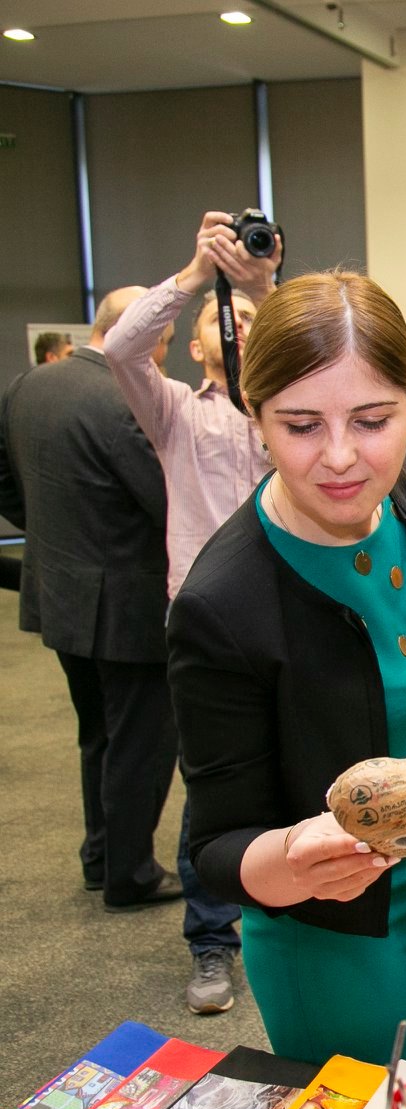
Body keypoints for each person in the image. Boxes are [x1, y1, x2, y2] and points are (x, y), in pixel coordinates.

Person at [165, 270, 406, 1070]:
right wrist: (298, 856)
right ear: (255, 414)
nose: (340, 458)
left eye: (372, 420)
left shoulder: (403, 490)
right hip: (336, 931)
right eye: (300, 425)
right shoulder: (224, 603)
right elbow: (218, 844)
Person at [102, 210, 278, 1015]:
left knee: (303, 766)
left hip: (291, 608)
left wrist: (262, 289)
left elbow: (324, 353)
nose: (235, 328)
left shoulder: (287, 409)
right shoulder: (174, 410)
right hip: (206, 622)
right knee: (215, 778)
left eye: (247, 323)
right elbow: (120, 347)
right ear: (199, 345)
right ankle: (212, 942)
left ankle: (296, 917)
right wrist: (196, 274)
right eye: (221, 320)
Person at [0, 289, 181, 912]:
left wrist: (50, 531)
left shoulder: (28, 386)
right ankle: (130, 874)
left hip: (58, 595)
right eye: (163, 340)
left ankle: (101, 856)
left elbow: (6, 480)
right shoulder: (126, 401)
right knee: (141, 742)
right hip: (127, 606)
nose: (162, 353)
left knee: (98, 732)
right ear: (139, 334)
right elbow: (168, 505)